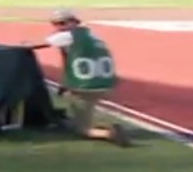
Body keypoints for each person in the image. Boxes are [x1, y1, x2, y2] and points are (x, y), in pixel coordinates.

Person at [26, 9, 130, 146]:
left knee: (82, 129)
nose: (59, 27)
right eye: (56, 23)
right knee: (77, 102)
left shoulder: (67, 36)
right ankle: (97, 122)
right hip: (105, 83)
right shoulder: (92, 36)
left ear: (73, 22)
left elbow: (34, 45)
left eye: (62, 23)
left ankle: (109, 133)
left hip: (85, 85)